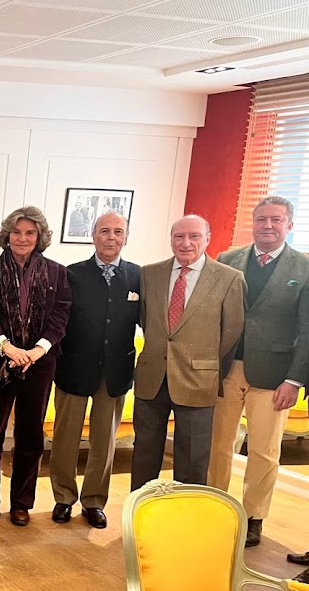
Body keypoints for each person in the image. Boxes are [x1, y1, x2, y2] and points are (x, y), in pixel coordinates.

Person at [207, 197, 309, 549]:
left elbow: (308, 329)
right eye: (262, 219)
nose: (268, 225)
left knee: (264, 451)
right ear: (253, 222)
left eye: (276, 220)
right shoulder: (228, 259)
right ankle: (215, 507)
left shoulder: (304, 267)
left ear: (289, 225)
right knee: (218, 445)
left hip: (275, 376)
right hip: (227, 369)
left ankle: (253, 517)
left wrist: (295, 380)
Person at [0, 206, 72, 526]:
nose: (23, 238)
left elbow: (61, 317)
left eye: (29, 233)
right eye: (17, 232)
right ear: (7, 235)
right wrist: (8, 347)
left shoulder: (58, 273)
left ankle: (21, 503)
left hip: (40, 365)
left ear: (40, 236)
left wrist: (37, 351)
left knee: (30, 435)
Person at [130, 215, 245, 490]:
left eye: (194, 236)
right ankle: (138, 518)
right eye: (178, 236)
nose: (185, 243)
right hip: (152, 377)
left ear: (207, 239)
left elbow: (231, 331)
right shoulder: (149, 274)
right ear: (171, 240)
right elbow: (146, 319)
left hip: (198, 379)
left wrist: (205, 363)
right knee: (144, 453)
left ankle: (187, 522)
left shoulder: (229, 278)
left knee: (192, 460)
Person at [49, 212, 141, 529]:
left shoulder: (138, 277)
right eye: (104, 231)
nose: (111, 237)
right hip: (73, 366)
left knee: (104, 440)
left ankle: (94, 501)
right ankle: (63, 497)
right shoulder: (71, 274)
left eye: (118, 231)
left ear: (126, 237)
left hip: (115, 372)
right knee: (65, 437)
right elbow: (57, 321)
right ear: (93, 236)